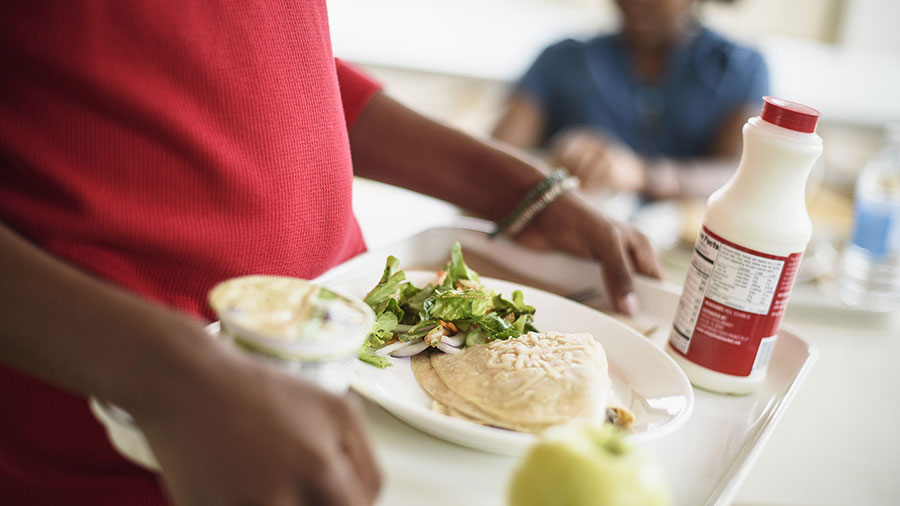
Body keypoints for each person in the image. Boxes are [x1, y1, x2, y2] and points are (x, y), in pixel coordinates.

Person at [0, 2, 661, 506]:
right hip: (131, 441)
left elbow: (284, 72)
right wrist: (165, 375)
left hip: (367, 382)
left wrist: (520, 189)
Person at [493, 0, 769, 200]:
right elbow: (494, 157)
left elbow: (739, 176)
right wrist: (553, 159)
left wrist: (644, 175)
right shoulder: (562, 60)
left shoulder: (740, 68)